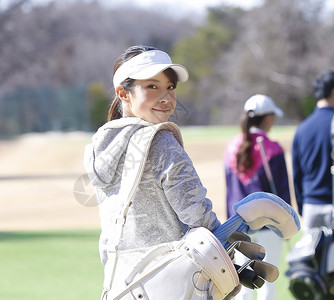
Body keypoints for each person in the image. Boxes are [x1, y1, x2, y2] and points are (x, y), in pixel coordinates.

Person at [84, 45, 228, 299]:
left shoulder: (97, 146)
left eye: (170, 87)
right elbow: (198, 216)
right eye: (152, 86)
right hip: (170, 283)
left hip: (120, 285)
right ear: (123, 93)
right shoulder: (161, 142)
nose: (166, 97)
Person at [223, 94, 291, 300]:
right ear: (268, 117)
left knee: (243, 282)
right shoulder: (272, 148)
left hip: (239, 227)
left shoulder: (231, 147)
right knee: (267, 284)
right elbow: (283, 192)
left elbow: (228, 191)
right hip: (269, 226)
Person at [292, 70, 334, 231]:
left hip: (311, 206)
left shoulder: (302, 129)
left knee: (313, 257)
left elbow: (297, 175)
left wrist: (303, 206)